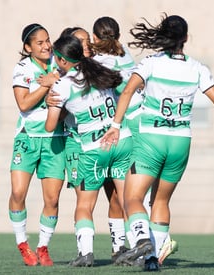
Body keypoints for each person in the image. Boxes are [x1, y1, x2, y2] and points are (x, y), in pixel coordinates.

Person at [100, 14, 214, 271]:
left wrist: (115, 125)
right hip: (180, 143)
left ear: (163, 38)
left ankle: (142, 239)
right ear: (186, 38)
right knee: (161, 202)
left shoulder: (151, 63)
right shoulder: (197, 68)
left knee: (133, 198)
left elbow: (129, 90)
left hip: (151, 140)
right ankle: (153, 259)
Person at [92, 16, 177, 265]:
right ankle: (146, 242)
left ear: (96, 38)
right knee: (141, 190)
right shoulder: (124, 52)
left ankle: (156, 242)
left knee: (133, 191)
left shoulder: (99, 61)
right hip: (145, 119)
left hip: (130, 124)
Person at [45, 34, 132, 267]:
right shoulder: (100, 70)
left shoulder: (63, 85)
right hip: (121, 140)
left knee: (84, 204)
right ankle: (134, 247)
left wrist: (51, 102)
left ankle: (86, 254)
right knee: (128, 201)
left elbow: (50, 125)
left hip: (94, 147)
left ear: (63, 60)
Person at [8, 23, 65, 267]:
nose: (46, 46)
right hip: (27, 138)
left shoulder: (61, 64)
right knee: (18, 193)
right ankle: (22, 242)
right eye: (39, 43)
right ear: (28, 47)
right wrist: (46, 84)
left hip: (55, 140)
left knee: (52, 199)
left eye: (47, 40)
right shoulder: (22, 69)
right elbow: (24, 104)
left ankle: (43, 247)